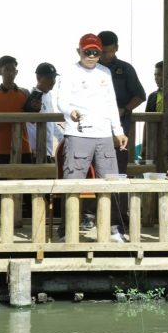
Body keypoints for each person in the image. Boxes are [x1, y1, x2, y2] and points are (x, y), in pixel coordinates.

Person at [56, 33, 128, 242]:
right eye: (87, 51)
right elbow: (61, 101)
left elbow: (111, 104)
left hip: (104, 134)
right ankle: (67, 232)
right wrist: (71, 112)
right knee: (72, 183)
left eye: (96, 52)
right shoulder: (68, 72)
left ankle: (113, 230)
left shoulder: (105, 72)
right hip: (78, 134)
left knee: (110, 182)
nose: (91, 56)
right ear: (79, 51)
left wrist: (118, 131)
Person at [98, 30, 146, 173]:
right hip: (95, 126)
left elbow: (140, 95)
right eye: (102, 51)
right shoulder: (89, 68)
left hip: (119, 127)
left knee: (118, 167)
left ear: (116, 48)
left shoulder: (125, 69)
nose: (105, 55)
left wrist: (124, 109)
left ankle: (118, 196)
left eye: (109, 51)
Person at [144, 61, 168, 170]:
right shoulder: (153, 96)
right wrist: (145, 146)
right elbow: (147, 123)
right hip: (157, 148)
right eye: (155, 75)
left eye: (160, 75)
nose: (156, 78)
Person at [24, 62, 63, 162]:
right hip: (34, 154)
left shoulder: (49, 96)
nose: (53, 81)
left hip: (47, 153)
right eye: (49, 78)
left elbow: (53, 123)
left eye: (54, 77)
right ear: (38, 77)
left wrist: (63, 139)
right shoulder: (32, 97)